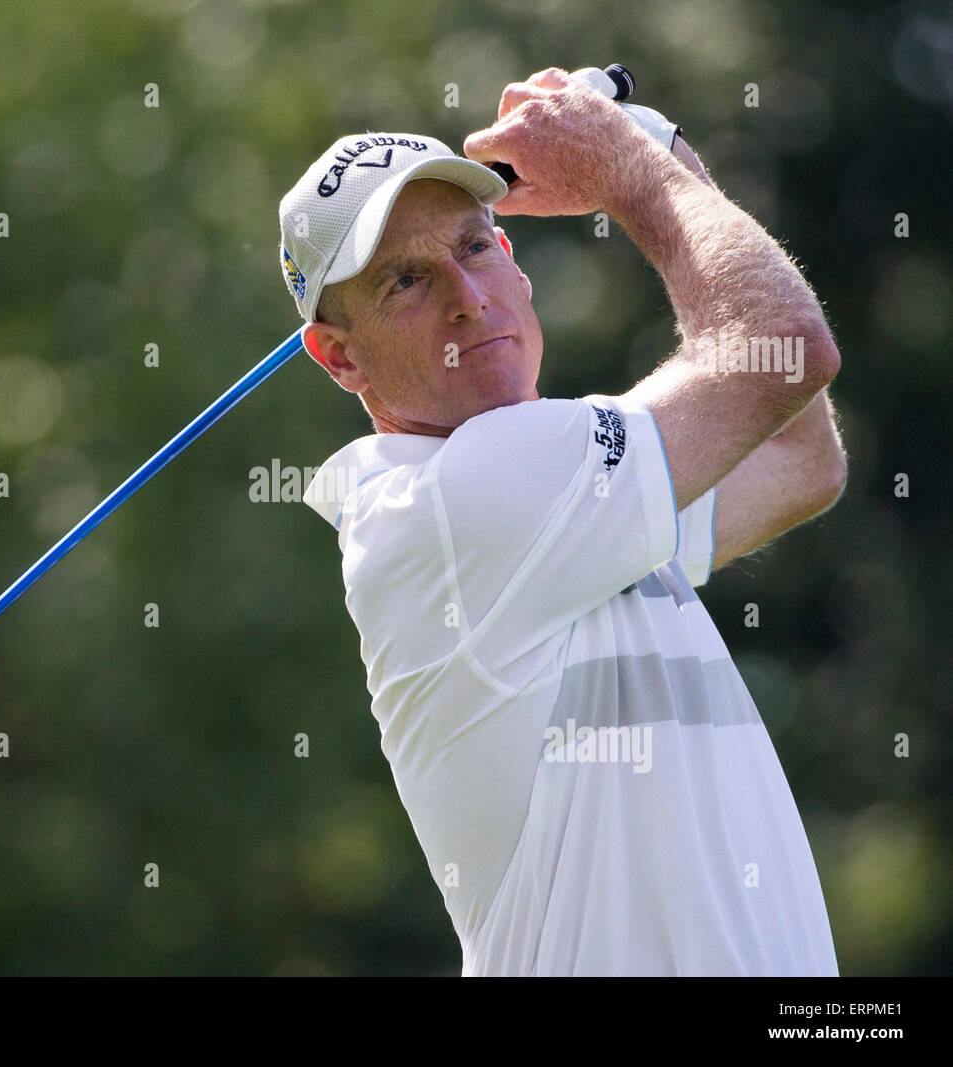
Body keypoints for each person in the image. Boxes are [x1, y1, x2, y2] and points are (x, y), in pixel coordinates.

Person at [278, 67, 846, 976]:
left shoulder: (567, 500)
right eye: (406, 282)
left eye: (473, 246)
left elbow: (796, 460)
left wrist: (657, 149)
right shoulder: (461, 498)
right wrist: (629, 169)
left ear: (517, 261)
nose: (465, 297)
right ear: (339, 357)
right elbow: (784, 351)